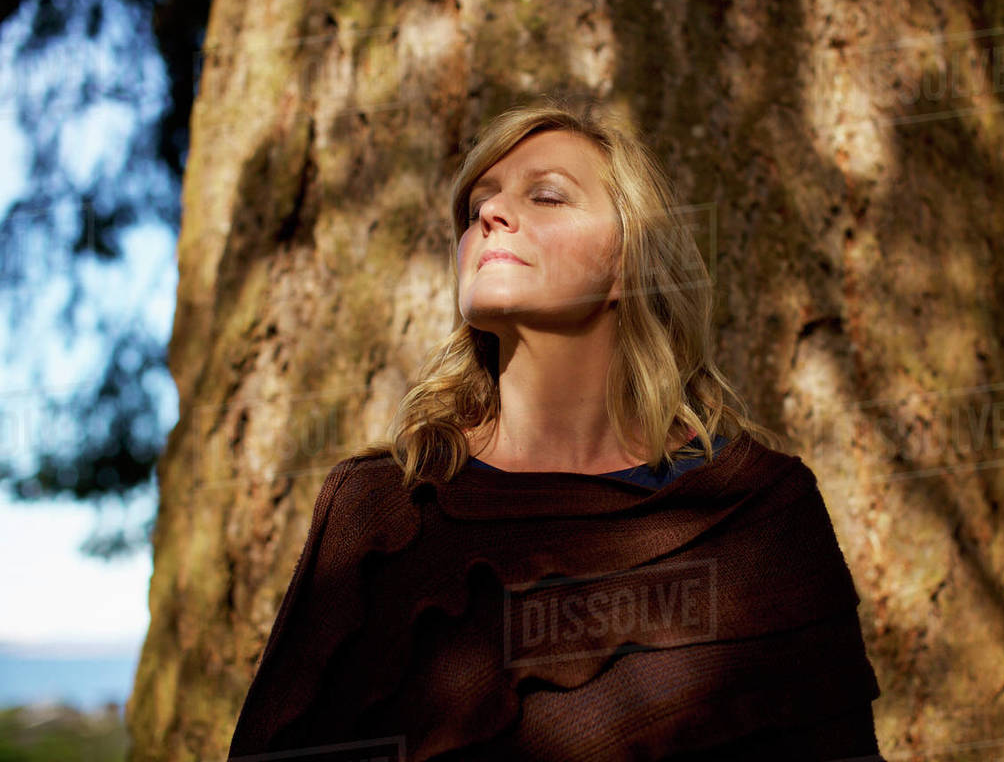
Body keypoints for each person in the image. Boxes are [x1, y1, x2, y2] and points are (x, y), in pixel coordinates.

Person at [227, 95, 886, 761]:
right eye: (477, 203)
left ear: (627, 262)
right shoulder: (379, 510)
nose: (490, 213)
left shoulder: (763, 511)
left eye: (546, 195)